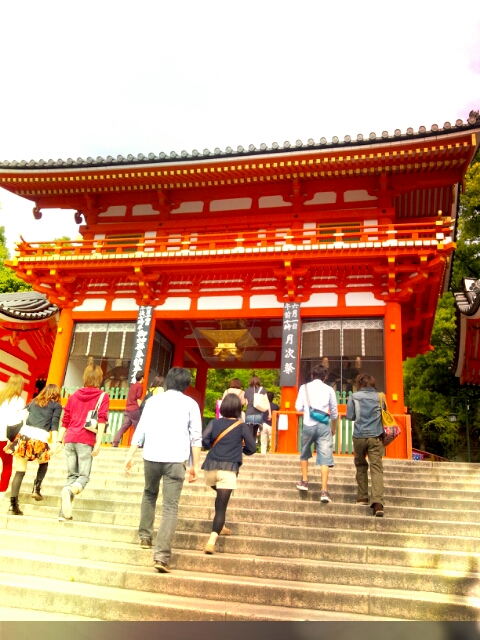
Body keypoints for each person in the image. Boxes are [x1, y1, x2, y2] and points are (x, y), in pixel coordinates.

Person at [124, 367, 202, 574]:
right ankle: (161, 557)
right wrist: (195, 465)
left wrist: (129, 455)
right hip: (176, 459)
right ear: (186, 385)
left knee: (149, 494)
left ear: (167, 381)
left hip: (151, 455)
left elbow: (141, 430)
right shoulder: (191, 404)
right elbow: (195, 436)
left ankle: (145, 536)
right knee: (170, 506)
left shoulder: (152, 402)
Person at [53, 364, 109, 521]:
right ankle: (70, 492)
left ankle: (63, 514)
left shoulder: (74, 395)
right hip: (86, 440)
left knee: (72, 476)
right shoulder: (102, 396)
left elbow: (65, 420)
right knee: (83, 477)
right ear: (99, 379)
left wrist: (59, 440)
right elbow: (102, 419)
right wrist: (98, 443)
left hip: (70, 439)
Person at [201, 393, 256, 554]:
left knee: (219, 498)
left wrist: (214, 445)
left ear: (223, 407)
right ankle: (211, 541)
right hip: (228, 468)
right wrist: (242, 449)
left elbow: (204, 440)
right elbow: (252, 448)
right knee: (221, 508)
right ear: (239, 409)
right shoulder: (241, 426)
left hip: (210, 467)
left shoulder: (214, 422)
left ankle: (221, 526)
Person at [6, 384, 62, 515]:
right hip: (40, 439)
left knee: (19, 472)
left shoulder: (33, 402)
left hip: (24, 437)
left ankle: (12, 507)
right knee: (43, 462)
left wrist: (11, 440)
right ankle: (36, 488)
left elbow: (19, 418)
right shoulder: (56, 406)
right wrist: (54, 443)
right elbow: (54, 425)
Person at [295, 364, 338, 502]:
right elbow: (334, 412)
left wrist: (308, 409)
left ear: (312, 376)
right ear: (324, 377)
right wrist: (334, 428)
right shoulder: (329, 389)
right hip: (324, 426)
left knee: (305, 452)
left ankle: (305, 481)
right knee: (325, 458)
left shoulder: (304, 388)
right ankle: (324, 491)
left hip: (308, 424)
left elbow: (298, 407)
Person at [346, 372, 385, 517]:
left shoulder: (354, 397)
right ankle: (378, 503)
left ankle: (362, 497)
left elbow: (350, 416)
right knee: (376, 468)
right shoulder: (380, 397)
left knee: (361, 465)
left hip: (359, 436)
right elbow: (384, 413)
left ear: (359, 384)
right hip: (375, 436)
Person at [0, 374, 26, 502]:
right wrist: (12, 440)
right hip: (5, 436)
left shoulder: (1, 397)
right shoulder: (18, 401)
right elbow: (16, 421)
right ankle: (2, 490)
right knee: (7, 464)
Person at [111, 371, 144, 447]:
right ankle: (139, 444)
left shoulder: (132, 386)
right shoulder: (139, 386)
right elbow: (138, 399)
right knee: (138, 427)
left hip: (127, 410)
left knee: (124, 427)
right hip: (134, 409)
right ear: (142, 378)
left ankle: (115, 442)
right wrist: (141, 409)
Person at [244, 376, 269, 441]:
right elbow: (267, 402)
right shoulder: (262, 390)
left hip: (249, 413)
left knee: (249, 432)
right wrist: (270, 413)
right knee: (255, 432)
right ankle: (253, 447)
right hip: (258, 414)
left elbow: (246, 403)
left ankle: (249, 447)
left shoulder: (247, 390)